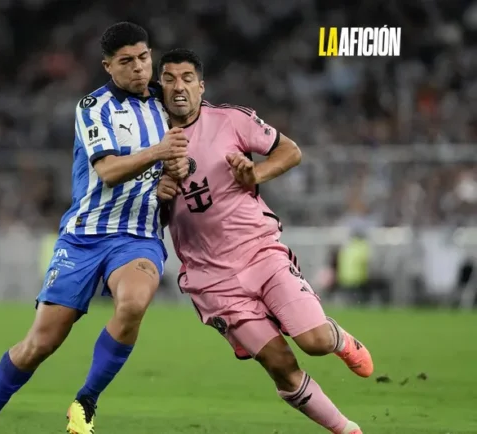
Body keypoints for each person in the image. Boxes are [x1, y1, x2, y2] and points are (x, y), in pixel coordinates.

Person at [0, 22, 189, 434]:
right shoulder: (93, 107)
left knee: (134, 303)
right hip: (84, 238)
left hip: (137, 236)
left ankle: (85, 402)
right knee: (39, 345)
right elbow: (107, 171)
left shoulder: (168, 103)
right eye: (126, 62)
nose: (139, 68)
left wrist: (176, 175)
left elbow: (189, 155)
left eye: (143, 57)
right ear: (108, 66)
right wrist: (159, 153)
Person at [155, 48, 372, 434]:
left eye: (187, 78)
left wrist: (256, 173)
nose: (178, 86)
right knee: (280, 366)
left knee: (314, 340)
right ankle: (346, 429)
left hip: (260, 251)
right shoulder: (149, 142)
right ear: (159, 86)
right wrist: (158, 195)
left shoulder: (230, 120)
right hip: (211, 279)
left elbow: (290, 151)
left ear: (201, 86)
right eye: (169, 78)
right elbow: (144, 215)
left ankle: (338, 338)